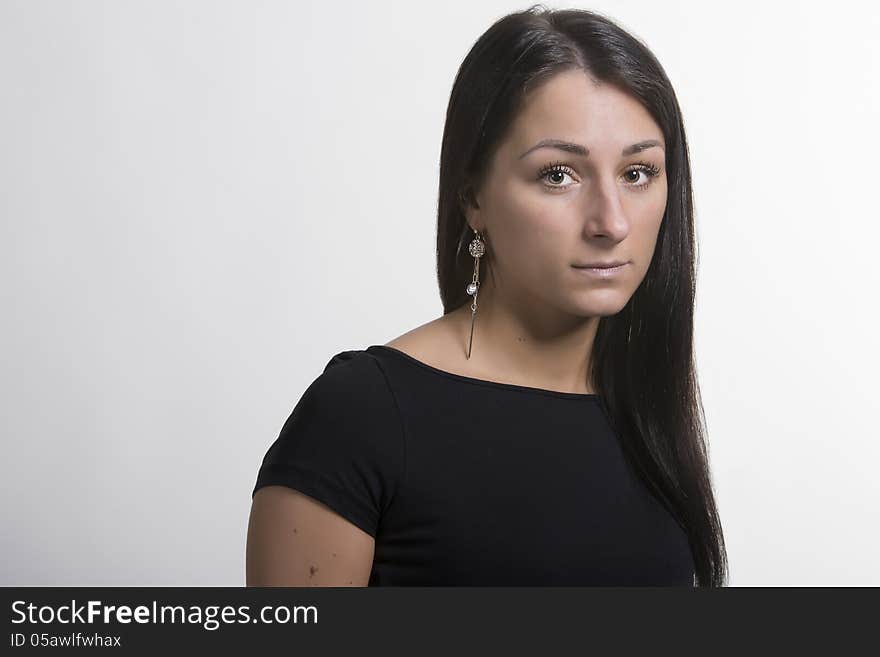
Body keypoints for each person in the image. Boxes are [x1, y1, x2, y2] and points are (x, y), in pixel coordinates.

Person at [246, 4, 728, 587]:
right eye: (558, 174)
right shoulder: (361, 417)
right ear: (473, 197)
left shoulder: (647, 414)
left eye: (638, 173)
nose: (611, 222)